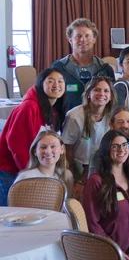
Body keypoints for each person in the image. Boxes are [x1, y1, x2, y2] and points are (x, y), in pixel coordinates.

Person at [82, 130, 129, 260]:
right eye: (115, 146)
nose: (121, 149)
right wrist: (115, 250)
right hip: (108, 252)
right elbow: (91, 223)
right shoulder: (96, 181)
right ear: (107, 150)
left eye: (125, 145)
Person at [0, 70, 66, 205]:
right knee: (12, 214)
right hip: (11, 169)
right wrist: (31, 173)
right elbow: (16, 145)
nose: (56, 85)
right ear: (41, 84)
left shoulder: (51, 109)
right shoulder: (29, 107)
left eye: (60, 81)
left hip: (29, 168)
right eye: (50, 81)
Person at [50, 18, 115, 112]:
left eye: (87, 36)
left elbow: (112, 101)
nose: (83, 39)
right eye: (78, 36)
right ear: (70, 40)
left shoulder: (105, 69)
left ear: (94, 40)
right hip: (66, 123)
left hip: (98, 122)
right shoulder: (58, 68)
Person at [63, 76, 116, 182]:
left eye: (106, 91)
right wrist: (73, 177)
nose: (101, 94)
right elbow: (67, 148)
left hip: (102, 164)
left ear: (110, 96)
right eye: (97, 90)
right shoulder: (74, 116)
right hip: (78, 165)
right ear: (88, 94)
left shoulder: (113, 116)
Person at [13, 129, 73, 197]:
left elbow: (67, 204)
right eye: (43, 147)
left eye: (53, 146)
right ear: (35, 151)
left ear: (62, 149)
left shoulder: (66, 176)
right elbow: (14, 206)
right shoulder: (25, 177)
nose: (48, 151)